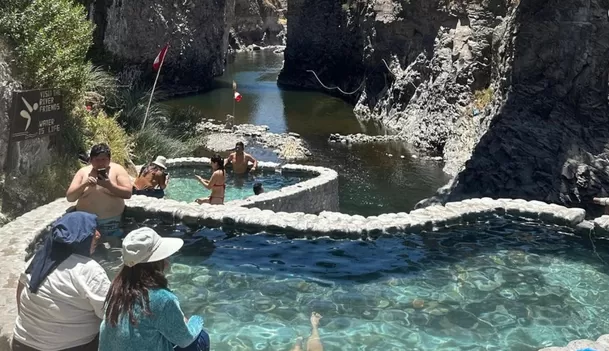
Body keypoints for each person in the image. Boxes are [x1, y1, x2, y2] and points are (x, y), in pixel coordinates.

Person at [12, 211, 110, 351]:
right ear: (78, 237)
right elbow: (110, 313)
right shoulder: (89, 270)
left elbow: (21, 287)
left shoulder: (39, 259)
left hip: (22, 343)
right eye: (92, 230)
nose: (98, 235)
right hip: (69, 347)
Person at [99, 227, 210, 351]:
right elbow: (184, 340)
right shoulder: (162, 298)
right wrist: (196, 320)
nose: (168, 260)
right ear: (158, 261)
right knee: (201, 337)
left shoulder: (117, 288)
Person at [66, 143, 132, 239]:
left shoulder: (118, 170)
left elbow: (128, 193)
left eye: (104, 159)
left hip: (112, 222)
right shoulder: (83, 172)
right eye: (97, 160)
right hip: (87, 223)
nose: (100, 163)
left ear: (109, 160)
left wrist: (109, 186)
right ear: (91, 160)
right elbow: (70, 197)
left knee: (113, 248)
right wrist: (84, 184)